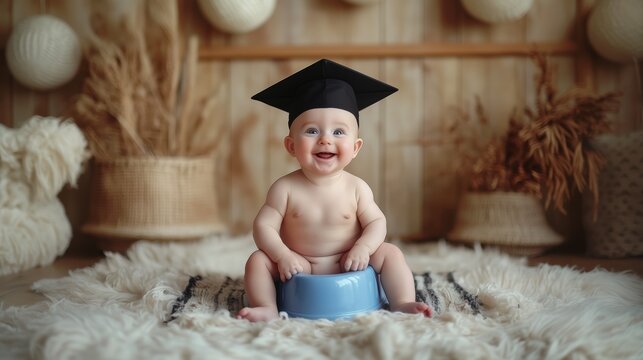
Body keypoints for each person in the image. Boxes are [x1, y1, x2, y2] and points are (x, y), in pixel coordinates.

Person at [237, 59, 432, 322]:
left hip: (349, 260)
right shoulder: (284, 188)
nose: (325, 139)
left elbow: (377, 222)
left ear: (356, 147)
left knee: (391, 253)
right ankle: (267, 307)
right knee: (257, 260)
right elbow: (264, 227)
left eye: (339, 131)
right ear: (291, 146)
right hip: (299, 264)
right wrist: (282, 255)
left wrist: (364, 247)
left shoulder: (356, 187)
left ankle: (402, 301)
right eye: (312, 130)